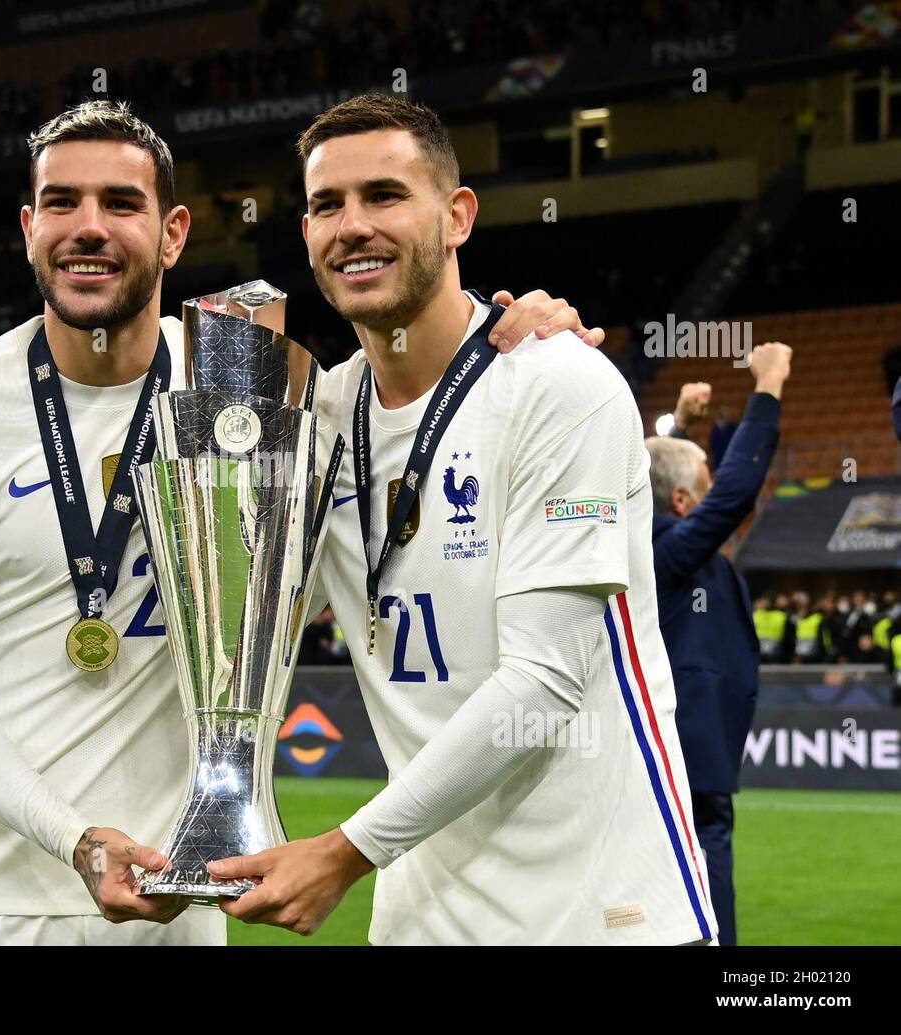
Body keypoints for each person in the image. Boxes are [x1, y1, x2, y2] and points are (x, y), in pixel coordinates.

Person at [0, 99, 592, 947]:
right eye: (62, 204)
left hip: (182, 900)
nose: (88, 229)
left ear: (174, 233)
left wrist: (513, 335)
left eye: (122, 205)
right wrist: (68, 837)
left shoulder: (261, 383)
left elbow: (411, 396)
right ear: (29, 228)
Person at [209, 93, 716, 945]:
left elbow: (543, 680)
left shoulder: (560, 385)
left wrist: (344, 850)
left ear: (457, 216)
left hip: (602, 918)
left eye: (384, 195)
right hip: (423, 925)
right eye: (327, 204)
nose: (353, 225)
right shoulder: (312, 422)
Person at [641, 342, 790, 946]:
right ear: (681, 503)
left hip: (693, 751)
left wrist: (679, 428)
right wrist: (769, 386)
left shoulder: (659, 543)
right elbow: (735, 495)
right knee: (702, 903)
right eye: (703, 481)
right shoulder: (665, 551)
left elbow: (648, 485)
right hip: (688, 756)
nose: (716, 487)